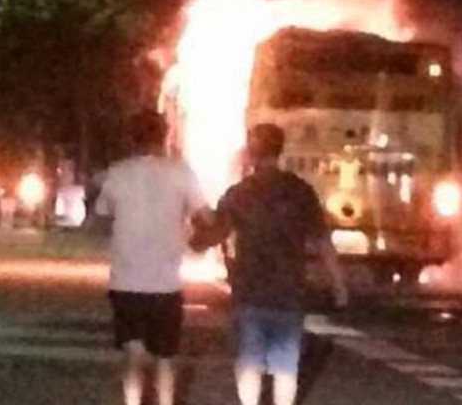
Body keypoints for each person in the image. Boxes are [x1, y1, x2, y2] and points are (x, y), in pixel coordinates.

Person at [207, 123, 348, 405]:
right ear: (280, 149)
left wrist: (195, 231)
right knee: (285, 367)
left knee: (249, 363)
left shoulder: (238, 193)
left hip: (249, 290)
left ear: (251, 153)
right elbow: (322, 242)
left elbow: (211, 236)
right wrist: (338, 285)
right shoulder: (301, 191)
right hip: (289, 291)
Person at [93, 110, 213, 405]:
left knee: (134, 355)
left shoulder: (117, 173)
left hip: (125, 281)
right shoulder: (181, 172)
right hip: (165, 284)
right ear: (165, 135)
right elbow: (206, 219)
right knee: (165, 357)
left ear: (132, 137)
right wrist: (199, 240)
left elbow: (101, 217)